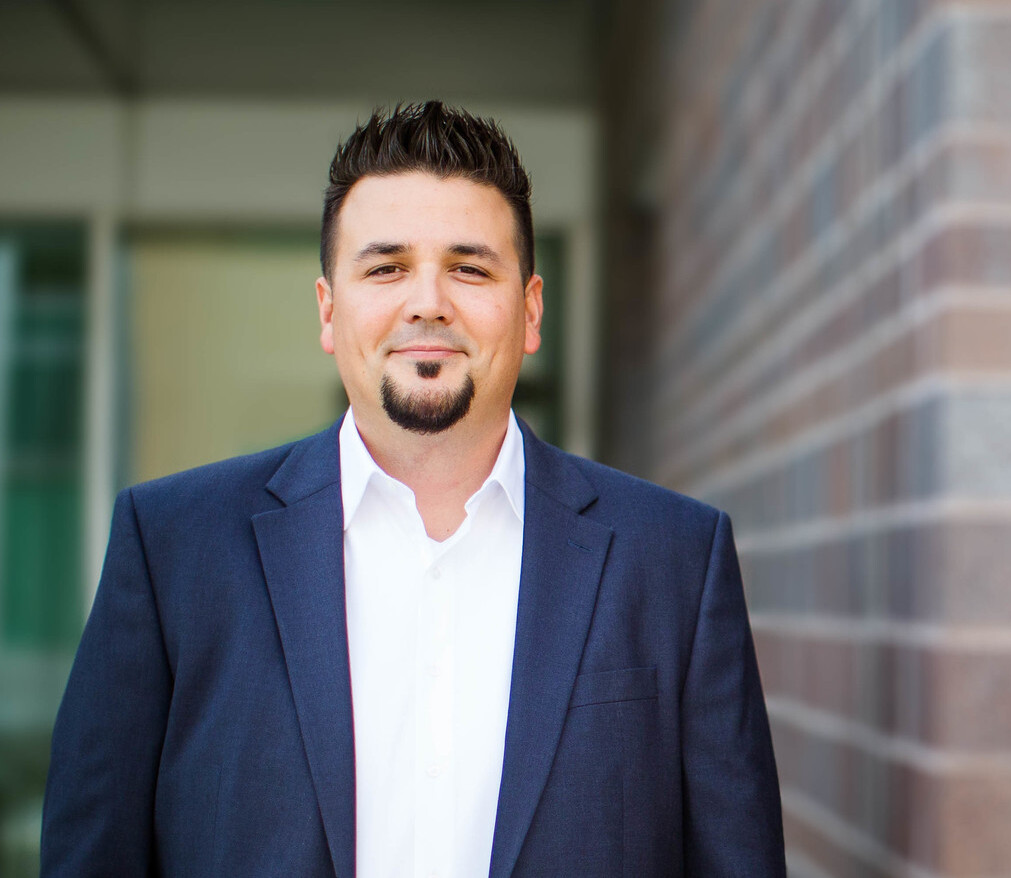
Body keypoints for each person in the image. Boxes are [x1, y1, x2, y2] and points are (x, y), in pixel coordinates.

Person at [41, 101, 785, 877]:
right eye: (386, 268)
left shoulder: (675, 561)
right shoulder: (172, 550)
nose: (428, 301)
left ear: (531, 310)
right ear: (329, 310)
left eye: (469, 268)